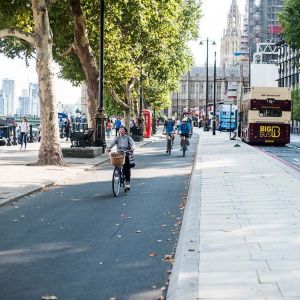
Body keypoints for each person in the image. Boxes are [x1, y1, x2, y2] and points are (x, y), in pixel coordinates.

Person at [107, 126, 135, 191]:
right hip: (119, 154)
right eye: (120, 130)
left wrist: (133, 148)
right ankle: (116, 174)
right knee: (116, 164)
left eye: (122, 130)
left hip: (126, 153)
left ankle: (127, 184)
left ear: (125, 131)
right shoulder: (117, 138)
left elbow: (133, 144)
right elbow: (111, 144)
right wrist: (108, 148)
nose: (121, 131)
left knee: (126, 169)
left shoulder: (128, 138)